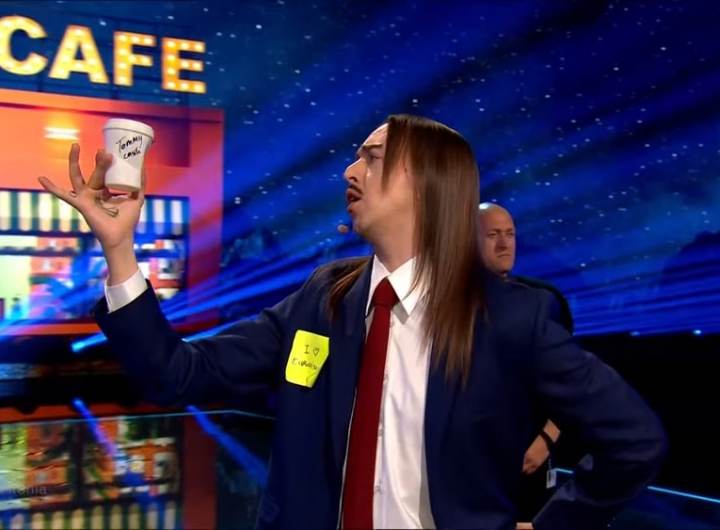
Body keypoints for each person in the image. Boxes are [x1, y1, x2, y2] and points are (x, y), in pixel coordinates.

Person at [39, 114, 666, 530]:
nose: (349, 171)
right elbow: (175, 373)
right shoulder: (323, 300)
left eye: (372, 157)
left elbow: (634, 442)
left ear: (428, 184)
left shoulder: (509, 317)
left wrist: (558, 525)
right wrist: (119, 251)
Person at [477, 202, 570, 521]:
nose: (504, 244)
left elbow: (570, 383)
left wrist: (546, 441)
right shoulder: (448, 307)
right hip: (474, 468)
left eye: (510, 234)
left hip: (531, 462)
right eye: (492, 235)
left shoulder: (543, 302)